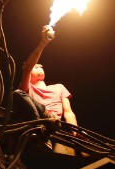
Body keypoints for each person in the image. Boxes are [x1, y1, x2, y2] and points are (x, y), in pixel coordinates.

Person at [14, 25, 79, 153]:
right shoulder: (28, 88)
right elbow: (27, 68)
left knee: (24, 97)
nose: (38, 66)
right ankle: (40, 130)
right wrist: (43, 42)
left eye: (40, 65)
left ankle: (41, 129)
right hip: (41, 119)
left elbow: (68, 112)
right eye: (35, 66)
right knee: (17, 93)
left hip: (53, 120)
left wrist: (75, 133)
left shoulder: (59, 87)